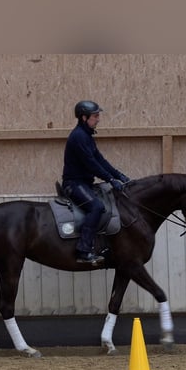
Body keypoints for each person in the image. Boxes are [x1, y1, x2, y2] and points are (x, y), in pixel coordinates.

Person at [62, 100, 131, 263]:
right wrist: (110, 179)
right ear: (84, 117)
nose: (98, 119)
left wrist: (118, 175)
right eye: (95, 116)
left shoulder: (87, 136)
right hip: (74, 184)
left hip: (85, 184)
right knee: (96, 207)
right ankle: (83, 251)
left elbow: (100, 160)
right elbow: (91, 164)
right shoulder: (78, 136)